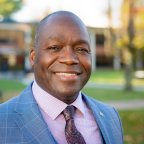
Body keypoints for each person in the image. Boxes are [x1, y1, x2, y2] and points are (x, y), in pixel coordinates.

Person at [0, 11, 123, 144]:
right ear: (33, 57)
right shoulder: (3, 120)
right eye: (55, 47)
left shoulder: (110, 117)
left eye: (81, 49)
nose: (70, 59)